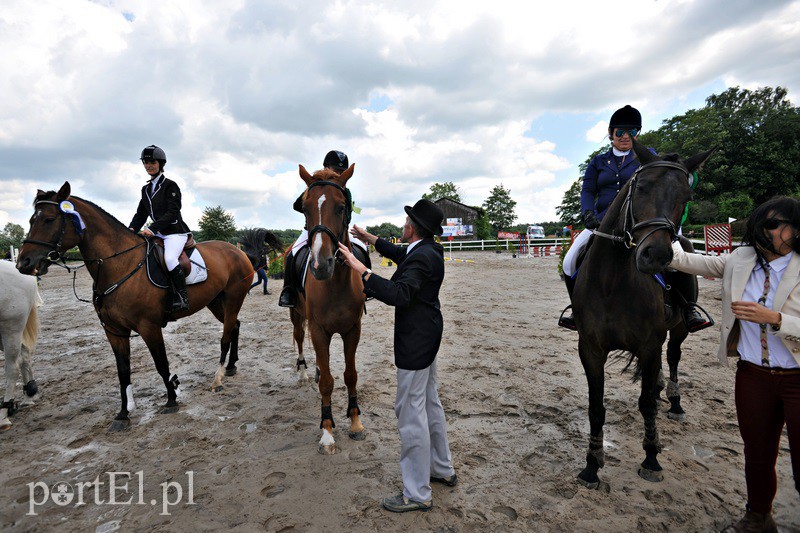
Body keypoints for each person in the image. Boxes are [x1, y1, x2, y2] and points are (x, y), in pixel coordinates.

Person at [669, 196, 800, 532]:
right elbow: (691, 262)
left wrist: (775, 318)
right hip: (752, 375)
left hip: (797, 377)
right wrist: (655, 233)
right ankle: (758, 517)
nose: (762, 230)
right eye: (760, 222)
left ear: (796, 229)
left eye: (773, 225)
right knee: (756, 453)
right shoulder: (741, 258)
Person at [337, 199, 456, 513]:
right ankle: (442, 468)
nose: (403, 225)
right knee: (430, 403)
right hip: (428, 335)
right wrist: (370, 239)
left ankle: (417, 493)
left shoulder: (422, 258)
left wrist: (361, 270)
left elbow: (399, 294)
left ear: (412, 228)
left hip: (416, 342)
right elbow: (400, 253)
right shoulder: (425, 249)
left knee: (410, 413)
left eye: (406, 221)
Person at [559, 105, 710, 332]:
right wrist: (587, 213)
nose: (626, 137)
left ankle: (688, 308)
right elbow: (588, 190)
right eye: (620, 132)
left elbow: (667, 180)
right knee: (570, 261)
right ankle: (577, 308)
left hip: (642, 222)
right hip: (602, 223)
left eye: (632, 132)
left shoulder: (648, 156)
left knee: (682, 250)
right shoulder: (598, 162)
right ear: (611, 134)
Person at [279, 150, 368, 307]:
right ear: (326, 168)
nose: (338, 174)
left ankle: (365, 287)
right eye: (335, 170)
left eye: (341, 172)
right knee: (292, 254)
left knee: (363, 249)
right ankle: (289, 291)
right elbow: (297, 205)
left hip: (340, 232)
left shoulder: (345, 192)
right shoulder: (316, 186)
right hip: (312, 230)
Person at [129, 145, 191, 312]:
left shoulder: (171, 186)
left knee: (170, 259)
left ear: (160, 163)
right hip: (158, 234)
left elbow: (173, 213)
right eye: (145, 162)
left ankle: (182, 296)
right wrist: (131, 230)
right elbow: (141, 214)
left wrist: (152, 228)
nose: (148, 165)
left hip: (174, 233)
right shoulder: (146, 189)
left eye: (152, 162)